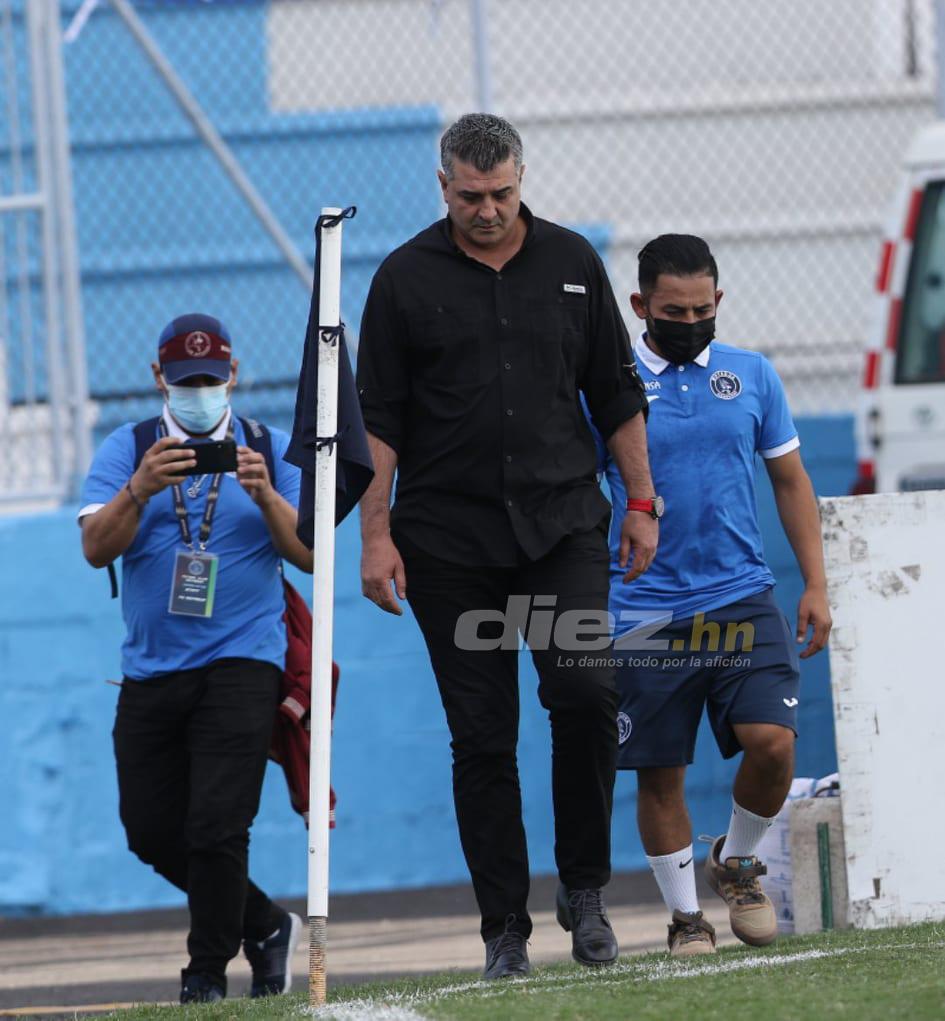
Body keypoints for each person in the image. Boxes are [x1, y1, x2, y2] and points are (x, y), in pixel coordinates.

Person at [356, 113, 659, 979]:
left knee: (587, 695)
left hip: (561, 525)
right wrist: (375, 535)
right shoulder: (403, 280)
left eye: (501, 194)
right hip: (448, 542)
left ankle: (587, 891)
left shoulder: (571, 264)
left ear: (521, 180)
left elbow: (614, 392)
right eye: (469, 196)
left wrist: (639, 500)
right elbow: (380, 423)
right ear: (441, 186)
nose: (486, 211)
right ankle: (504, 930)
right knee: (482, 736)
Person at [597, 236, 832, 957]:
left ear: (718, 301)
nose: (691, 319)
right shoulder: (607, 382)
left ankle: (736, 861)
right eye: (674, 309)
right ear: (640, 306)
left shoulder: (751, 375)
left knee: (772, 745)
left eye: (703, 308)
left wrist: (815, 583)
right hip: (642, 606)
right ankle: (683, 919)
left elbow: (790, 482)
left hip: (741, 594)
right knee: (659, 772)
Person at [78, 313, 312, 1003]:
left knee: (218, 823)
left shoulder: (269, 448)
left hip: (244, 659)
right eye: (186, 381)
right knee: (150, 830)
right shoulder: (128, 448)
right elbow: (96, 548)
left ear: (234, 375)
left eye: (210, 379)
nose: (200, 391)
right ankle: (264, 922)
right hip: (151, 669)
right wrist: (139, 488)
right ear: (159, 379)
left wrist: (266, 495)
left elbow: (308, 553)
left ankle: (205, 973)